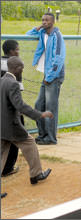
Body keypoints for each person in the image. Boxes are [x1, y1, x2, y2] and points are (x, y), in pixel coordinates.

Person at [1, 56, 53, 184]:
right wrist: (40, 115)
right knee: (30, 143)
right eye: (22, 68)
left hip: (2, 125)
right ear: (16, 69)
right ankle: (36, 174)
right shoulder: (13, 83)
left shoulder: (2, 80)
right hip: (12, 126)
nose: (22, 71)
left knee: (1, 155)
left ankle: (36, 174)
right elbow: (20, 106)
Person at [26, 12, 66, 145]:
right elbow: (27, 35)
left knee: (50, 108)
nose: (44, 22)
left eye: (47, 20)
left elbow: (59, 58)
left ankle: (51, 138)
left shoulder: (57, 36)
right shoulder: (43, 33)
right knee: (39, 105)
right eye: (42, 20)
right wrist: (37, 28)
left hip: (54, 76)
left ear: (53, 22)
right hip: (46, 75)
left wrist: (50, 76)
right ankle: (42, 135)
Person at [1, 40, 24, 177]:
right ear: (11, 52)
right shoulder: (15, 65)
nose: (18, 52)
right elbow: (18, 90)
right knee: (16, 137)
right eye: (17, 49)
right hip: (11, 108)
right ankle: (8, 168)